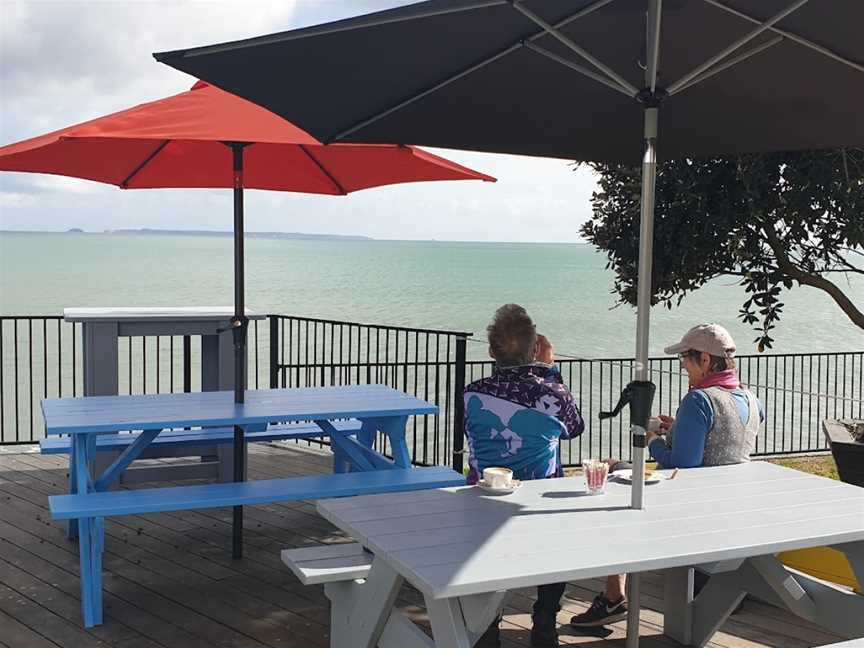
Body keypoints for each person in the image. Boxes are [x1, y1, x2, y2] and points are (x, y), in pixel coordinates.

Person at [570, 323, 762, 628]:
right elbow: (723, 443)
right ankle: (614, 595)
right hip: (731, 508)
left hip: (688, 509)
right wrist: (677, 429)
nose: (683, 365)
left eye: (686, 357)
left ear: (706, 361)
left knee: (614, 482)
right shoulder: (751, 400)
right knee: (619, 470)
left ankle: (613, 597)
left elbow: (683, 465)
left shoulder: (699, 401)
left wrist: (652, 440)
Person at [465, 304, 584, 648]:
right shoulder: (552, 393)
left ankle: (486, 626)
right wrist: (549, 371)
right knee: (558, 553)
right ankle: (544, 620)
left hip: (483, 501)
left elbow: (469, 433)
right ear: (535, 349)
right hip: (537, 502)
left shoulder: (472, 392)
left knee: (484, 562)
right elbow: (574, 428)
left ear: (491, 351)